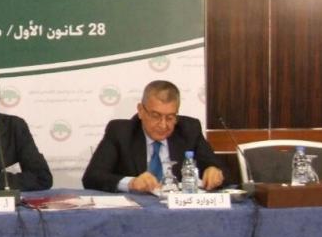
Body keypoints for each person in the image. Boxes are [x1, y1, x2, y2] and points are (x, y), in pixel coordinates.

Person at [82, 80, 225, 193]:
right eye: (156, 116)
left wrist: (214, 171)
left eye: (170, 117)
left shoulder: (189, 130)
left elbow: (224, 172)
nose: (163, 125)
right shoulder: (121, 132)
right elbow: (92, 177)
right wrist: (131, 183)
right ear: (140, 111)